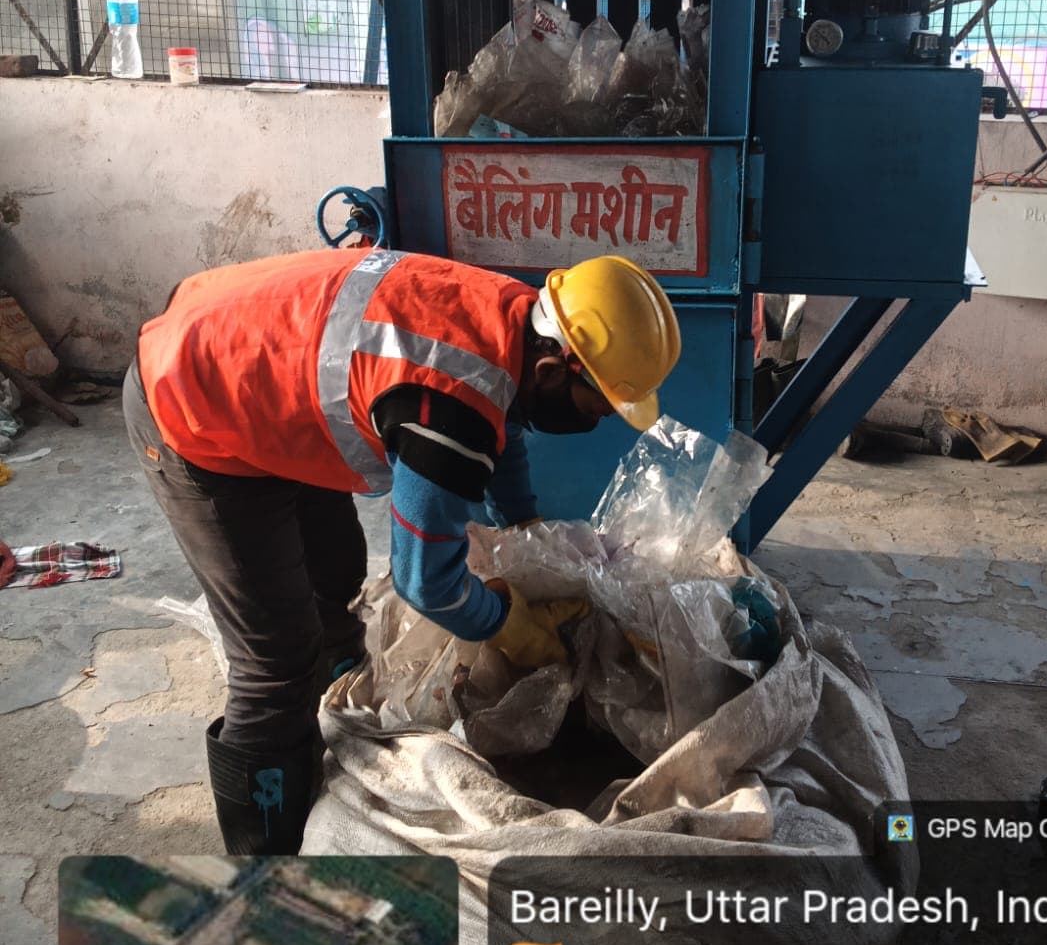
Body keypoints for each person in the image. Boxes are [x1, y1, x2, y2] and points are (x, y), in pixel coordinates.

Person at [123, 247, 680, 856]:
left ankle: (332, 734)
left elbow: (505, 423)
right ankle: (266, 862)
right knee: (274, 661)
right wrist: (510, 624)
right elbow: (427, 583)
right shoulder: (451, 406)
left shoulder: (516, 317)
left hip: (260, 365)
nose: (597, 421)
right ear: (552, 371)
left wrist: (524, 527)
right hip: (190, 400)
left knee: (333, 578)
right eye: (595, 406)